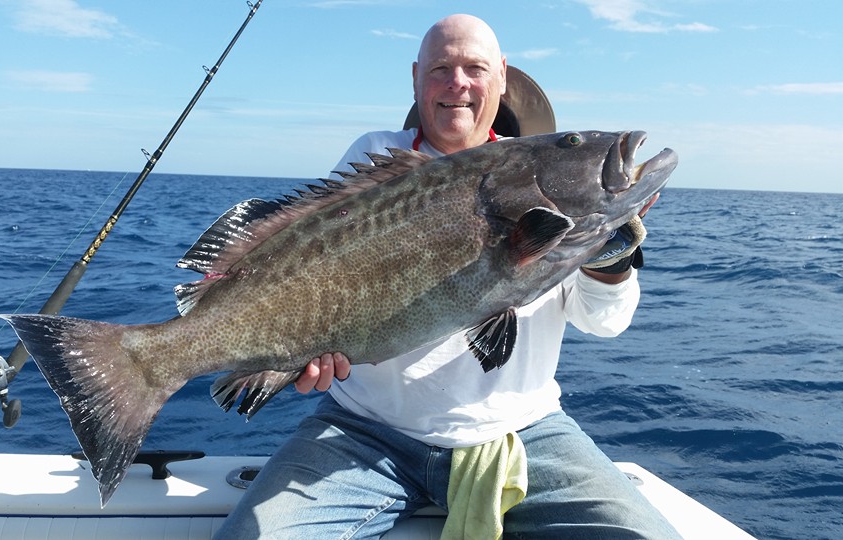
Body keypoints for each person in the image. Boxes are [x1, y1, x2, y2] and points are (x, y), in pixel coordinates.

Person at [216, 14, 681, 539]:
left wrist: (607, 255)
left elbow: (604, 323)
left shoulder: (557, 196)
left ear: (502, 76)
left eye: (474, 68)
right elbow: (316, 271)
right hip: (365, 433)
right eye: (441, 68)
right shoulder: (377, 156)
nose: (457, 84)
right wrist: (301, 354)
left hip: (527, 431)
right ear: (416, 77)